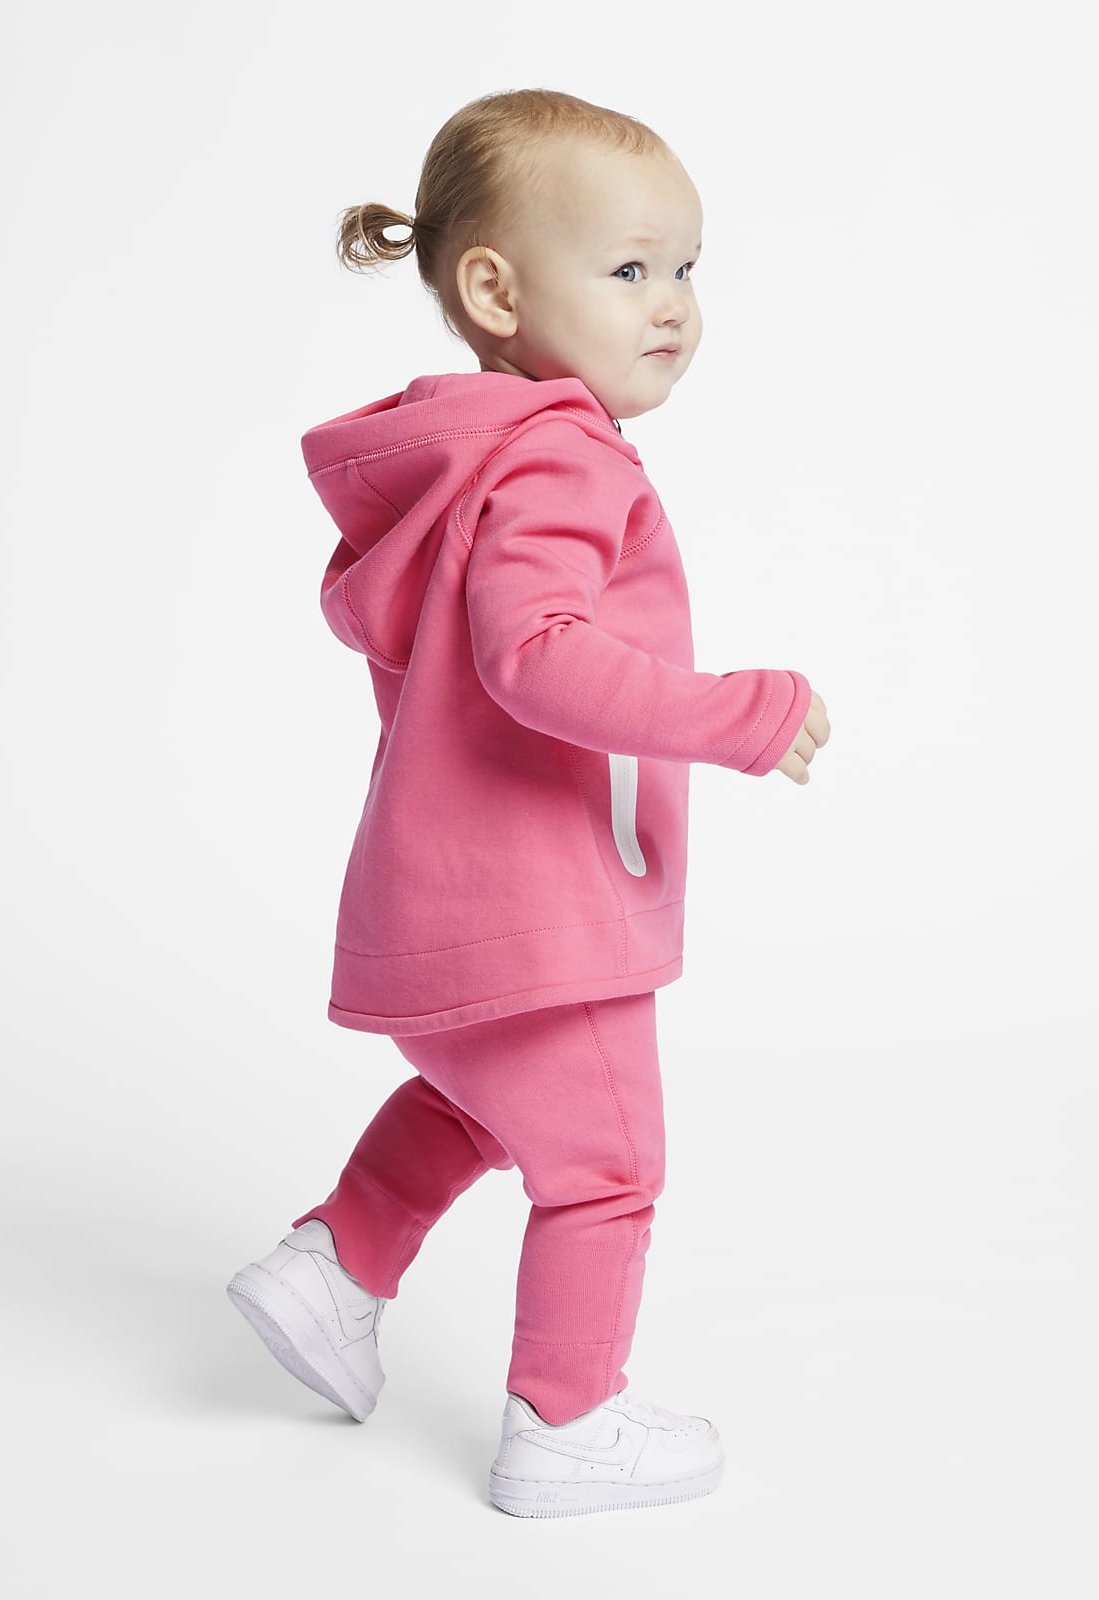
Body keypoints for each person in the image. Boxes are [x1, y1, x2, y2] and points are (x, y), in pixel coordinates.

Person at [227, 86, 830, 1519]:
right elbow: (535, 656)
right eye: (628, 269)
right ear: (496, 292)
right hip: (542, 904)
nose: (672, 303)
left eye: (685, 267)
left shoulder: (472, 464)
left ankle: (333, 1268)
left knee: (484, 1102)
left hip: (440, 896)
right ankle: (568, 1421)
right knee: (608, 1164)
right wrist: (740, 715)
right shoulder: (559, 452)